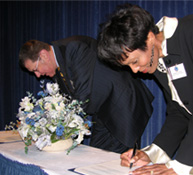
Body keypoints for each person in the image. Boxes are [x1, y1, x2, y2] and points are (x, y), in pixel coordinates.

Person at [97, 3, 193, 175]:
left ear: (150, 38)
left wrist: (183, 165)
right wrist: (151, 154)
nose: (135, 71)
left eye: (135, 61)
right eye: (128, 66)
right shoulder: (157, 59)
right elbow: (180, 112)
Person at [19, 35, 153, 154]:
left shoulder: (74, 48)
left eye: (35, 69)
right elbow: (65, 100)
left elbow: (83, 93)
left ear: (43, 55)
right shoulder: (57, 67)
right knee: (95, 156)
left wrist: (63, 125)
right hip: (104, 110)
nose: (37, 75)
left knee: (118, 162)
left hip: (122, 106)